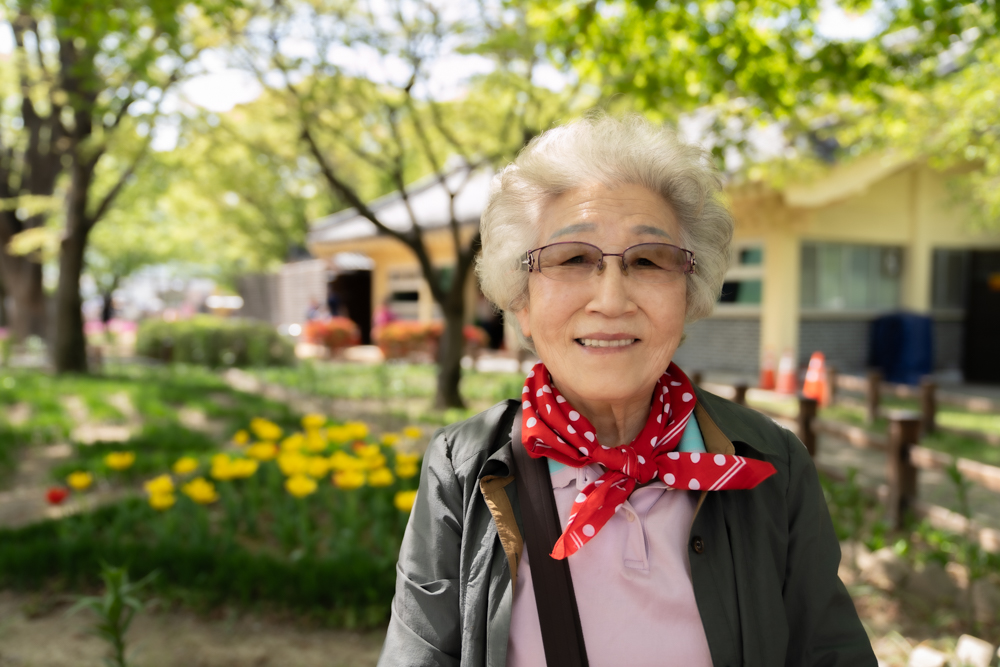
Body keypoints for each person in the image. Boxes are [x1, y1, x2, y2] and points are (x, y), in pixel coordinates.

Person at [378, 115, 876, 667]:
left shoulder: (768, 461)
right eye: (572, 259)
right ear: (521, 301)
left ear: (688, 295)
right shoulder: (464, 466)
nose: (612, 301)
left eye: (648, 260)